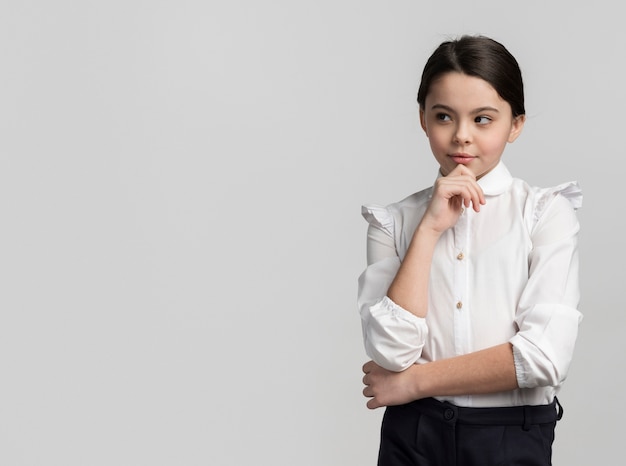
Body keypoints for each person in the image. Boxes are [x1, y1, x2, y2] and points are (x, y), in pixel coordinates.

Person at [358, 35, 582, 466]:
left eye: (483, 119)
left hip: (510, 436)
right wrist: (429, 229)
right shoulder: (396, 221)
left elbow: (544, 356)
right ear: (423, 118)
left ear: (515, 124)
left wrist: (413, 383)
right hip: (414, 434)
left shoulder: (544, 214)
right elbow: (390, 352)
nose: (461, 136)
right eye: (444, 116)